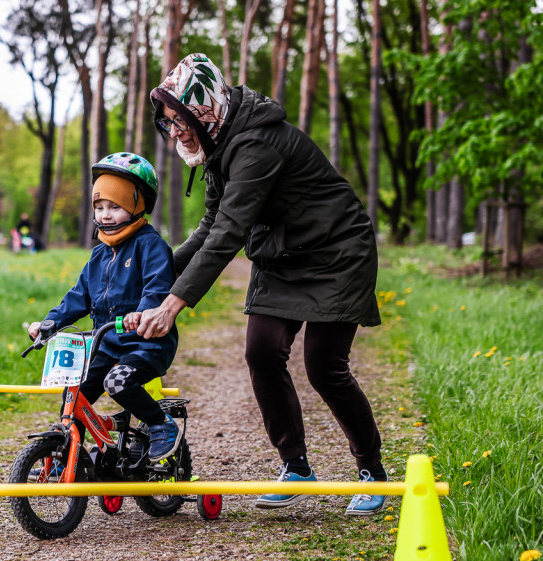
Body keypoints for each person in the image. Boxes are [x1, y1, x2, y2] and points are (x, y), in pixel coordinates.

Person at [139, 53, 387, 515]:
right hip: (283, 255)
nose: (176, 131)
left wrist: (173, 304)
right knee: (260, 352)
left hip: (336, 251)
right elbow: (210, 223)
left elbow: (230, 232)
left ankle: (372, 470)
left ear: (206, 108)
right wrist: (155, 278)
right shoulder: (220, 143)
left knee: (324, 366)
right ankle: (296, 467)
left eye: (182, 119)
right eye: (169, 122)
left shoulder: (257, 143)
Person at [28, 153, 181, 462]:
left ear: (137, 205)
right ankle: (68, 455)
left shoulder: (150, 246)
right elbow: (78, 297)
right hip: (107, 344)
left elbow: (157, 286)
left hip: (146, 344)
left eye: (115, 206)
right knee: (76, 392)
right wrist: (50, 323)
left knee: (118, 381)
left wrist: (144, 312)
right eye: (100, 207)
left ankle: (160, 424)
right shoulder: (99, 254)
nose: (106, 215)